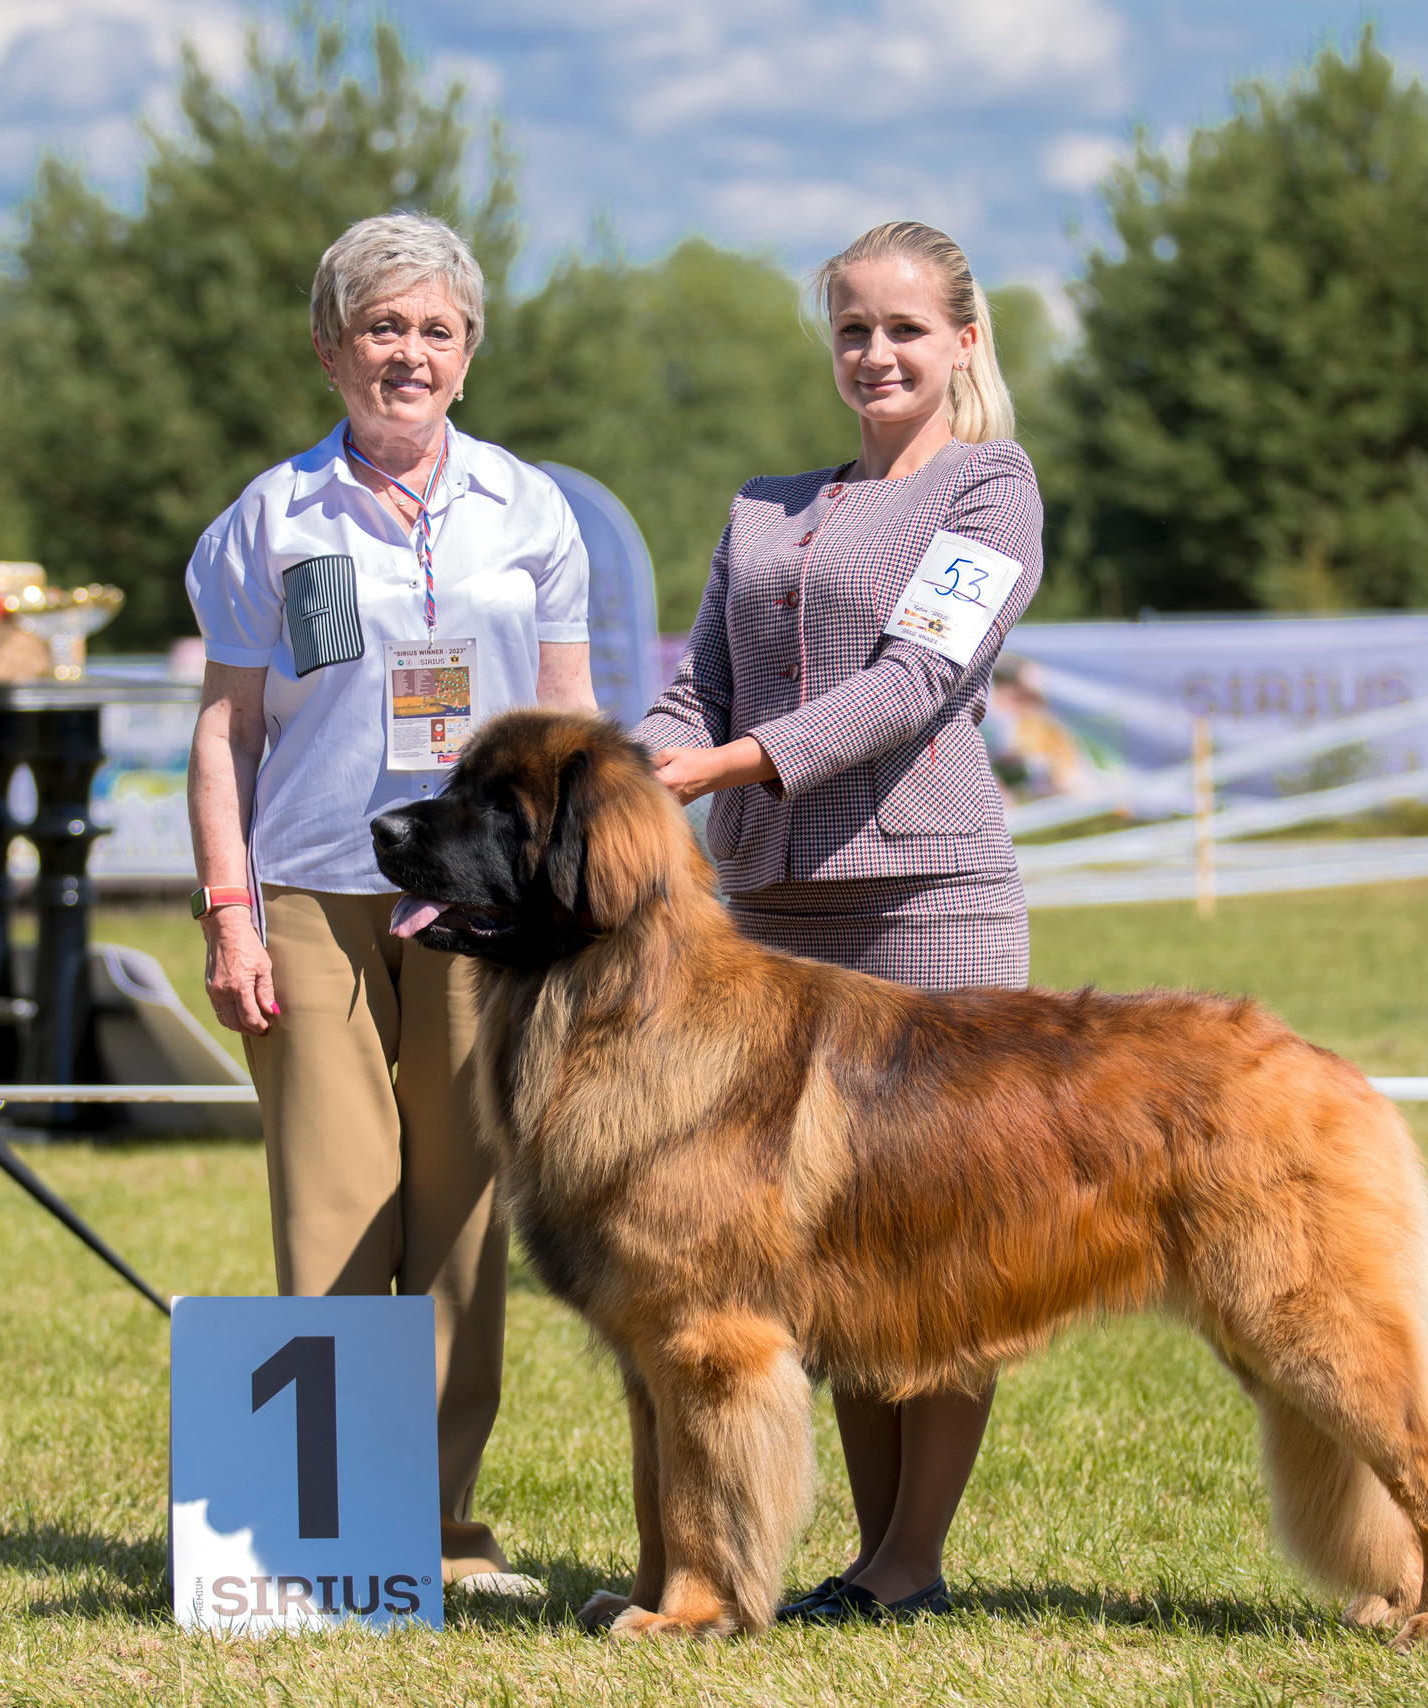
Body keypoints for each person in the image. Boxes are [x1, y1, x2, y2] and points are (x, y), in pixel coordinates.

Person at [633, 220, 1042, 1626]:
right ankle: (869, 1558)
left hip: (932, 904)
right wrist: (640, 763)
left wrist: (737, 764)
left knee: (941, 1240)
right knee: (823, 1250)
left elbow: (919, 679)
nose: (875, 352)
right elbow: (696, 684)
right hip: (768, 917)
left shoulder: (990, 487)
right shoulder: (763, 506)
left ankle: (914, 1557)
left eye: (904, 329)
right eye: (852, 328)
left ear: (963, 342)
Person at [183, 210, 596, 1599]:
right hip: (313, 893)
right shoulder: (269, 519)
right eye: (380, 327)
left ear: (468, 355)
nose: (408, 354)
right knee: (336, 1210)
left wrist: (569, 907)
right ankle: (334, 1536)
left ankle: (442, 1529)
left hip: (483, 906)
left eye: (435, 329)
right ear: (329, 349)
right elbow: (228, 730)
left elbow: (568, 722)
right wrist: (230, 911)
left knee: (461, 1216)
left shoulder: (530, 511)